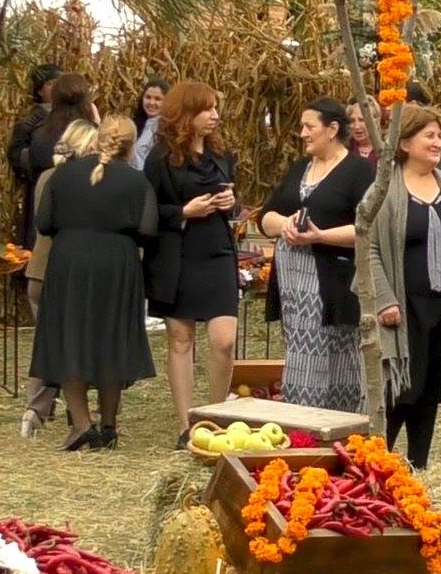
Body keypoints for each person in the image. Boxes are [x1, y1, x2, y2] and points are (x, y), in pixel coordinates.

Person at [364, 104, 441, 468]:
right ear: (404, 143)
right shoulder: (384, 188)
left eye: (440, 136)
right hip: (402, 306)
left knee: (429, 386)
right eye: (429, 136)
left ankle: (419, 466)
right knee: (400, 386)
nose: (438, 143)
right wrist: (384, 300)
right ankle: (379, 465)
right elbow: (369, 248)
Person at [28, 116, 158, 451]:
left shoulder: (63, 175)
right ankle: (109, 424)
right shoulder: (137, 181)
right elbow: (148, 229)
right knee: (111, 337)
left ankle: (82, 424)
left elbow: (44, 223)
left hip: (70, 260)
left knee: (70, 336)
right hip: (118, 263)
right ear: (131, 146)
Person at [262, 99, 375, 412]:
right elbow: (267, 215)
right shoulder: (301, 168)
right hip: (293, 286)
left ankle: (338, 425)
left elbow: (369, 229)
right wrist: (284, 224)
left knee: (338, 358)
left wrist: (320, 236)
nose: (302, 133)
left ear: (333, 129)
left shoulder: (358, 170)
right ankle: (301, 425)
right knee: (299, 353)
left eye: (309, 126)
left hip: (334, 283)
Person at [145, 81, 240, 449]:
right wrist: (183, 212)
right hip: (178, 255)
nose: (215, 115)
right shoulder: (160, 159)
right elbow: (148, 211)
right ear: (186, 114)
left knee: (224, 340)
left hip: (217, 251)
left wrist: (231, 203)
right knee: (181, 339)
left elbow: (233, 199)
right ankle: (187, 426)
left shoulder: (221, 153)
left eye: (216, 108)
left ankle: (214, 417)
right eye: (207, 109)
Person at [14, 118, 99, 437]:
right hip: (68, 273)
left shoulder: (46, 177)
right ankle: (78, 412)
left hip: (39, 271)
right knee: (75, 344)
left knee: (46, 344)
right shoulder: (86, 180)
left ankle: (35, 409)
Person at [7, 63, 62, 247]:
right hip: (39, 185)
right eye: (51, 83)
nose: (56, 88)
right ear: (40, 90)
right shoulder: (30, 122)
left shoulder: (72, 117)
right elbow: (16, 154)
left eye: (59, 83)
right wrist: (34, 161)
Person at [130, 76, 171, 172]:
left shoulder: (166, 129)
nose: (151, 103)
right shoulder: (137, 124)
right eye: (148, 97)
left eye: (157, 99)